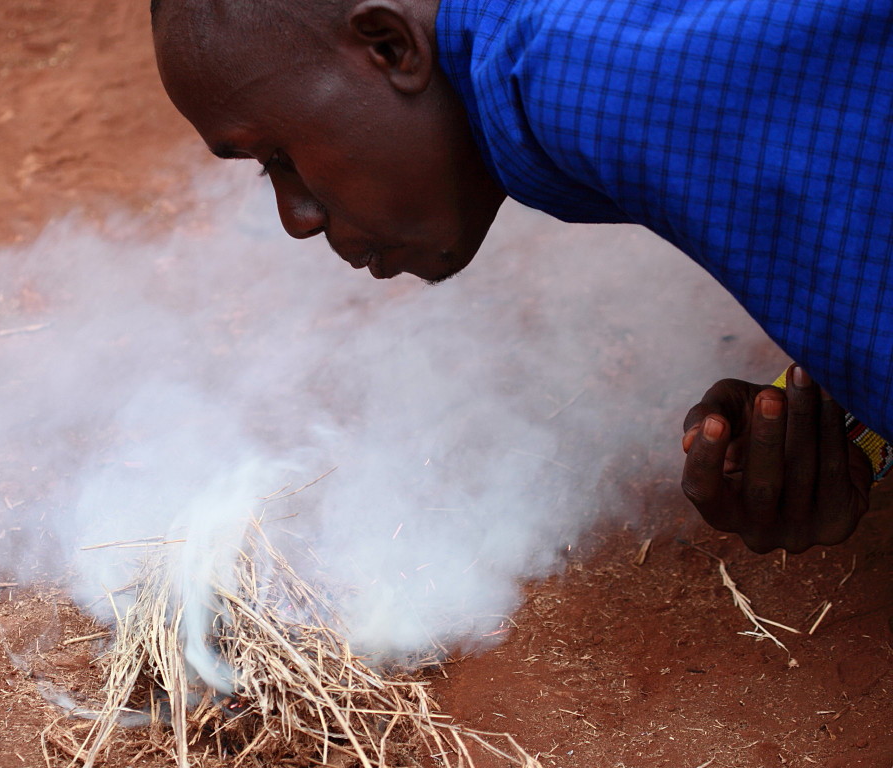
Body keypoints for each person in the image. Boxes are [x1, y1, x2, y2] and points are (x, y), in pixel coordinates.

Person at [150, 0, 893, 553]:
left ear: (388, 47)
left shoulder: (582, 76)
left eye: (277, 155)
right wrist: (853, 408)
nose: (296, 217)